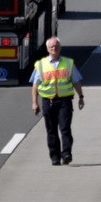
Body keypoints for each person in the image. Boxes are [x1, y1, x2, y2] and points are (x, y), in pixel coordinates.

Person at [30, 37, 84, 166]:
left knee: (65, 128)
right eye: (52, 47)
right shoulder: (41, 64)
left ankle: (66, 154)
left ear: (60, 48)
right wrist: (34, 102)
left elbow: (76, 81)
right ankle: (55, 157)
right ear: (48, 49)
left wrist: (81, 97)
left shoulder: (68, 63)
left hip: (64, 101)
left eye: (56, 46)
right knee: (51, 130)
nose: (54, 49)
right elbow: (35, 86)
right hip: (48, 102)